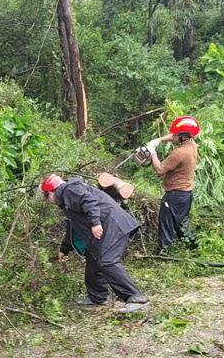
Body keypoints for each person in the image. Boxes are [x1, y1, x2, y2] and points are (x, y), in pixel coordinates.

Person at [41, 174, 149, 313]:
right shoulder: (67, 199)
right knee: (93, 257)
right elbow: (73, 226)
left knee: (107, 261)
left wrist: (95, 222)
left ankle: (135, 297)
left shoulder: (69, 190)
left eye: (46, 198)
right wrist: (64, 249)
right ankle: (97, 297)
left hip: (113, 225)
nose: (48, 202)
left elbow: (89, 201)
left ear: (49, 193)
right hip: (107, 227)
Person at [145, 116, 200, 253]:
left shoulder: (179, 152)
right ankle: (191, 246)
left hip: (174, 195)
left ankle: (163, 251)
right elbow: (174, 135)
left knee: (166, 223)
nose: (173, 137)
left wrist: (153, 152)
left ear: (184, 137)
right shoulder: (191, 144)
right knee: (181, 222)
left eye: (177, 135)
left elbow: (160, 169)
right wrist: (159, 140)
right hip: (186, 194)